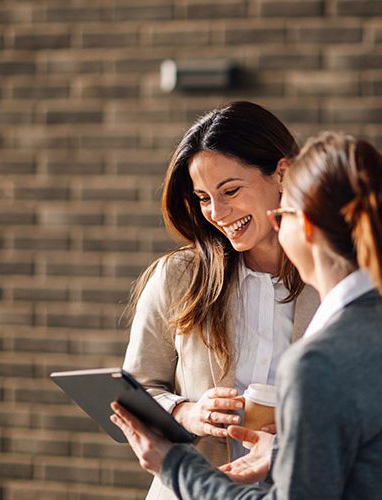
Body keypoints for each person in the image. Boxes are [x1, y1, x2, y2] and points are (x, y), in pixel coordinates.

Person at [112, 131, 382, 499]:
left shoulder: (316, 361)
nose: (216, 211)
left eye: (283, 216)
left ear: (306, 226)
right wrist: (284, 453)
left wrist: (174, 464)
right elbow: (376, 454)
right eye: (203, 198)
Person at [121, 101, 319, 499]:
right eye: (203, 198)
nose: (217, 212)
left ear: (282, 174)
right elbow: (135, 392)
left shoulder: (329, 284)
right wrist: (188, 413)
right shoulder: (179, 277)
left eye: (230, 191)